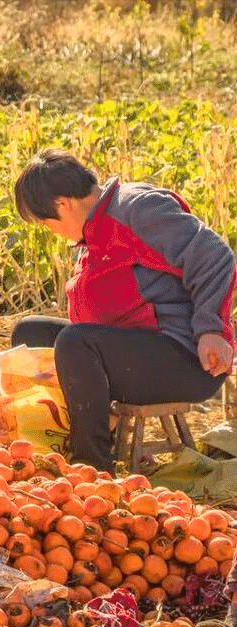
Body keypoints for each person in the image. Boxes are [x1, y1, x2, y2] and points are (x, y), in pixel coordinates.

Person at [12, 149, 234, 474]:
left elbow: (214, 256)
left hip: (183, 359)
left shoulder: (136, 209)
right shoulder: (94, 231)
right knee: (29, 333)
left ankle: (93, 468)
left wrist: (211, 330)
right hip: (134, 351)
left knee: (76, 342)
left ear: (63, 204)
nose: (52, 230)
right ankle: (59, 437)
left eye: (46, 222)